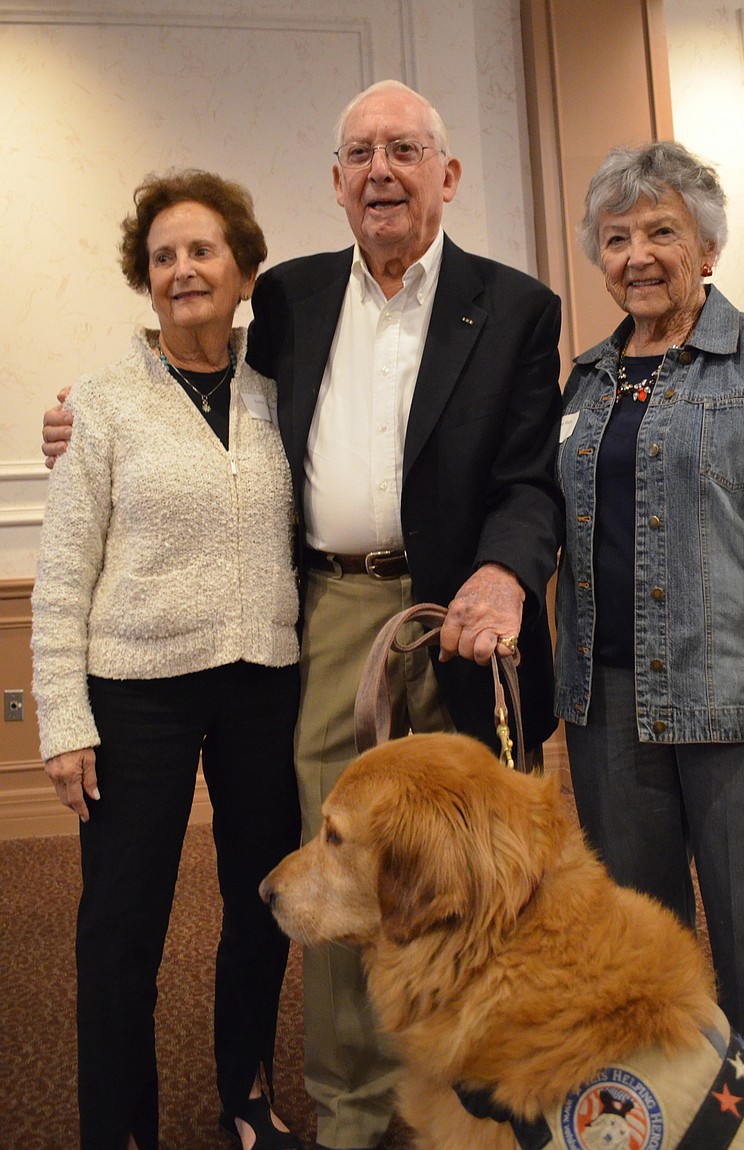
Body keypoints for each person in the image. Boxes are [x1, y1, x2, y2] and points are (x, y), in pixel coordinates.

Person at [41, 82, 564, 1150]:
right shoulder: (292, 300)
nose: (381, 170)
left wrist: (508, 572)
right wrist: (72, 415)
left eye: (405, 150)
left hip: (455, 616)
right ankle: (352, 1108)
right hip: (324, 617)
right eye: (359, 153)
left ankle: (479, 1094)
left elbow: (528, 475)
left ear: (445, 174)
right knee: (332, 860)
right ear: (334, 183)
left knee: (475, 864)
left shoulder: (513, 305)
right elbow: (172, 385)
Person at [554, 140, 744, 1080]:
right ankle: (663, 1124)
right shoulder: (587, 381)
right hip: (607, 718)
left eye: (662, 232)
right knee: (639, 960)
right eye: (617, 236)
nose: (637, 254)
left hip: (737, 712)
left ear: (707, 250)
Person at [32, 171, 303, 1150]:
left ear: (243, 270)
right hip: (133, 691)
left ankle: (246, 1096)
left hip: (267, 678)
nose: (183, 270)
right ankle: (119, 1130)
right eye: (162, 258)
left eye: (202, 252)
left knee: (261, 902)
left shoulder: (284, 391)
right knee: (122, 926)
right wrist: (62, 720)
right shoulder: (101, 402)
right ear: (143, 280)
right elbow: (62, 576)